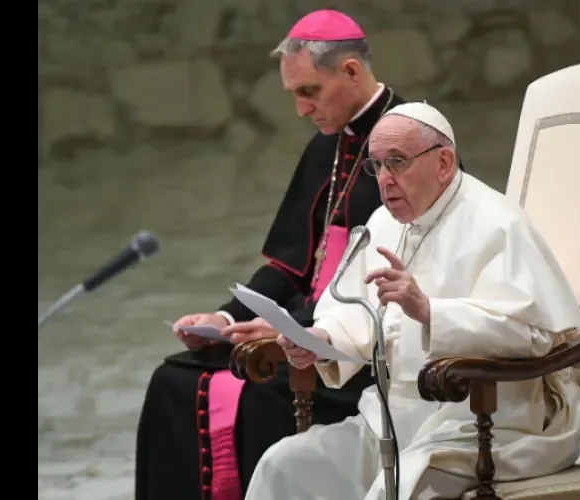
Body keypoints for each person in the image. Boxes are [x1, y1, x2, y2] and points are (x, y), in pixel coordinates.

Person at [234, 102, 580, 500]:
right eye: (377, 165)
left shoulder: (496, 223)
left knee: (397, 490)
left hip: (485, 425)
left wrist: (430, 312)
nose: (384, 180)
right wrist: (321, 340)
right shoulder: (382, 223)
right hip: (390, 420)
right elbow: (353, 310)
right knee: (283, 465)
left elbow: (533, 335)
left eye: (397, 163)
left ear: (443, 163)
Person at [134, 9, 409, 500]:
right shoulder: (324, 149)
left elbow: (398, 278)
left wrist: (295, 327)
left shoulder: (410, 147)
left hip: (359, 350)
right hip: (303, 327)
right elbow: (287, 264)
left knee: (255, 392)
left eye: (310, 92)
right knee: (172, 380)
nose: (302, 109)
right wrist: (223, 318)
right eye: (294, 95)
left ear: (349, 71)